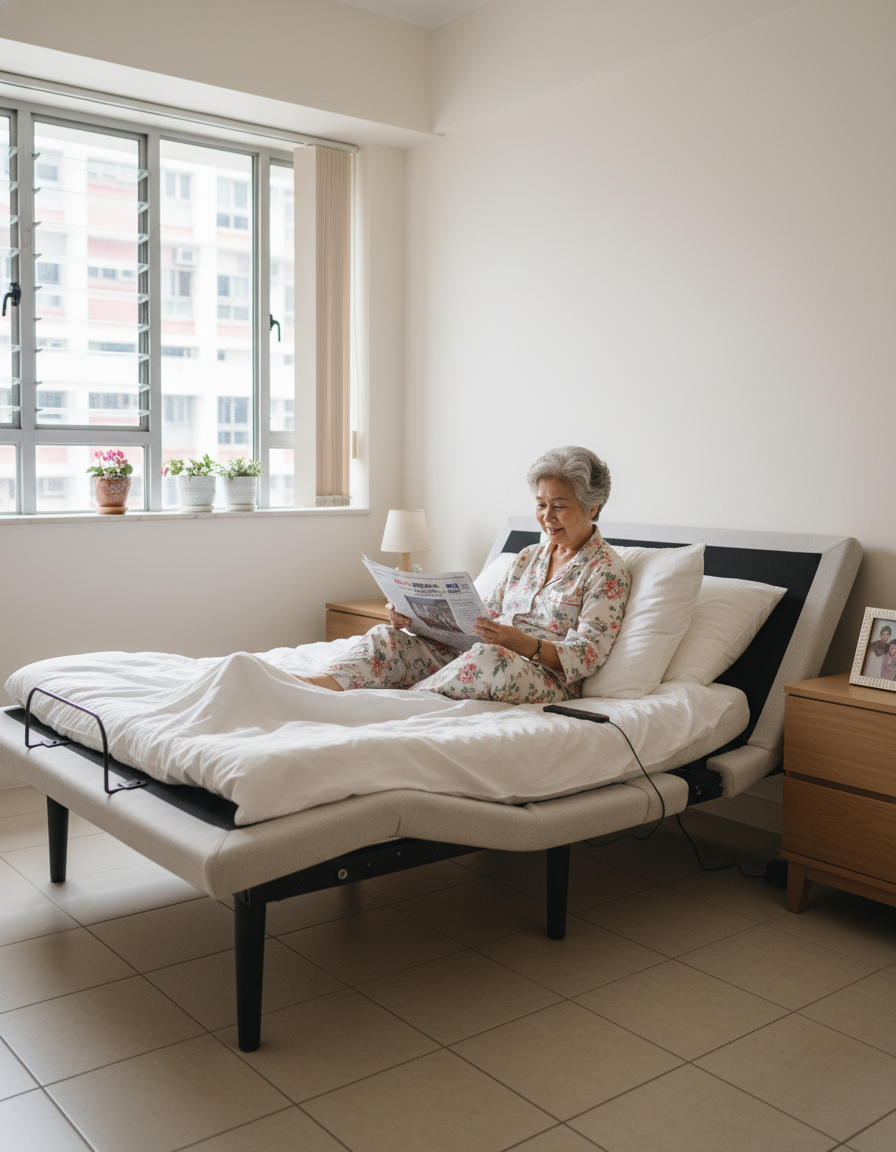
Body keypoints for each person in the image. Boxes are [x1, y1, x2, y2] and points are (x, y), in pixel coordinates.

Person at [297, 446, 631, 704]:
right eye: (541, 504)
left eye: (559, 505)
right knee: (386, 637)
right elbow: (481, 617)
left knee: (490, 657)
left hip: (545, 677)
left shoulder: (605, 571)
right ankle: (316, 688)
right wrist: (416, 618)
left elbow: (587, 655)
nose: (547, 517)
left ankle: (401, 700)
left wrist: (522, 643)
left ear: (592, 507)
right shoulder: (527, 556)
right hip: (477, 654)